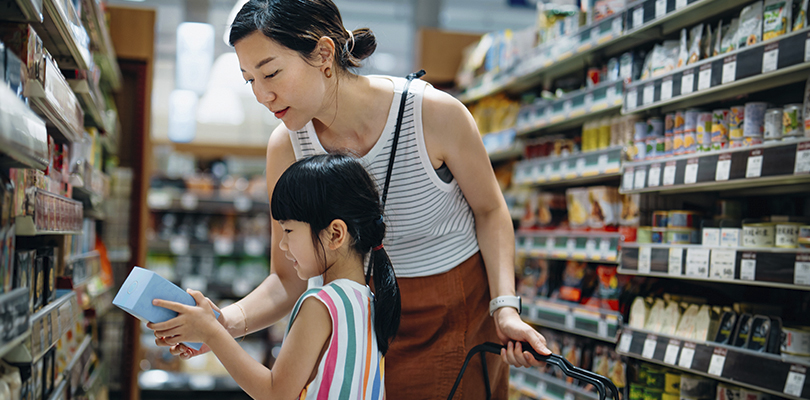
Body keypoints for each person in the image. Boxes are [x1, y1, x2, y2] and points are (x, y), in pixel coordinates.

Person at [151, 0, 551, 398]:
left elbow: (491, 210)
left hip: (453, 313)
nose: (262, 94)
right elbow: (287, 278)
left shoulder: (432, 113)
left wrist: (505, 307)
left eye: (271, 72)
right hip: (358, 321)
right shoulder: (287, 146)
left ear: (324, 54)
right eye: (250, 80)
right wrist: (222, 322)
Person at [149, 154, 399, 399]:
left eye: (288, 230)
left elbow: (274, 393)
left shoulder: (321, 304)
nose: (282, 244)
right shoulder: (370, 302)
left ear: (335, 234)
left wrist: (213, 333)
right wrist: (214, 332)